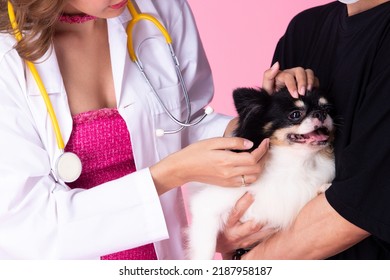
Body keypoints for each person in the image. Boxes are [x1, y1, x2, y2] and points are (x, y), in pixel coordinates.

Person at [0, 0, 272, 259]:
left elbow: (184, 121)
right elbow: (32, 226)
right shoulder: (6, 58)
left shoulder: (160, 10)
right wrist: (170, 174)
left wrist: (261, 121)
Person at [234, 0, 390, 259]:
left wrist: (246, 263)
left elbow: (363, 204)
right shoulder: (305, 28)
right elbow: (261, 160)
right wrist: (233, 240)